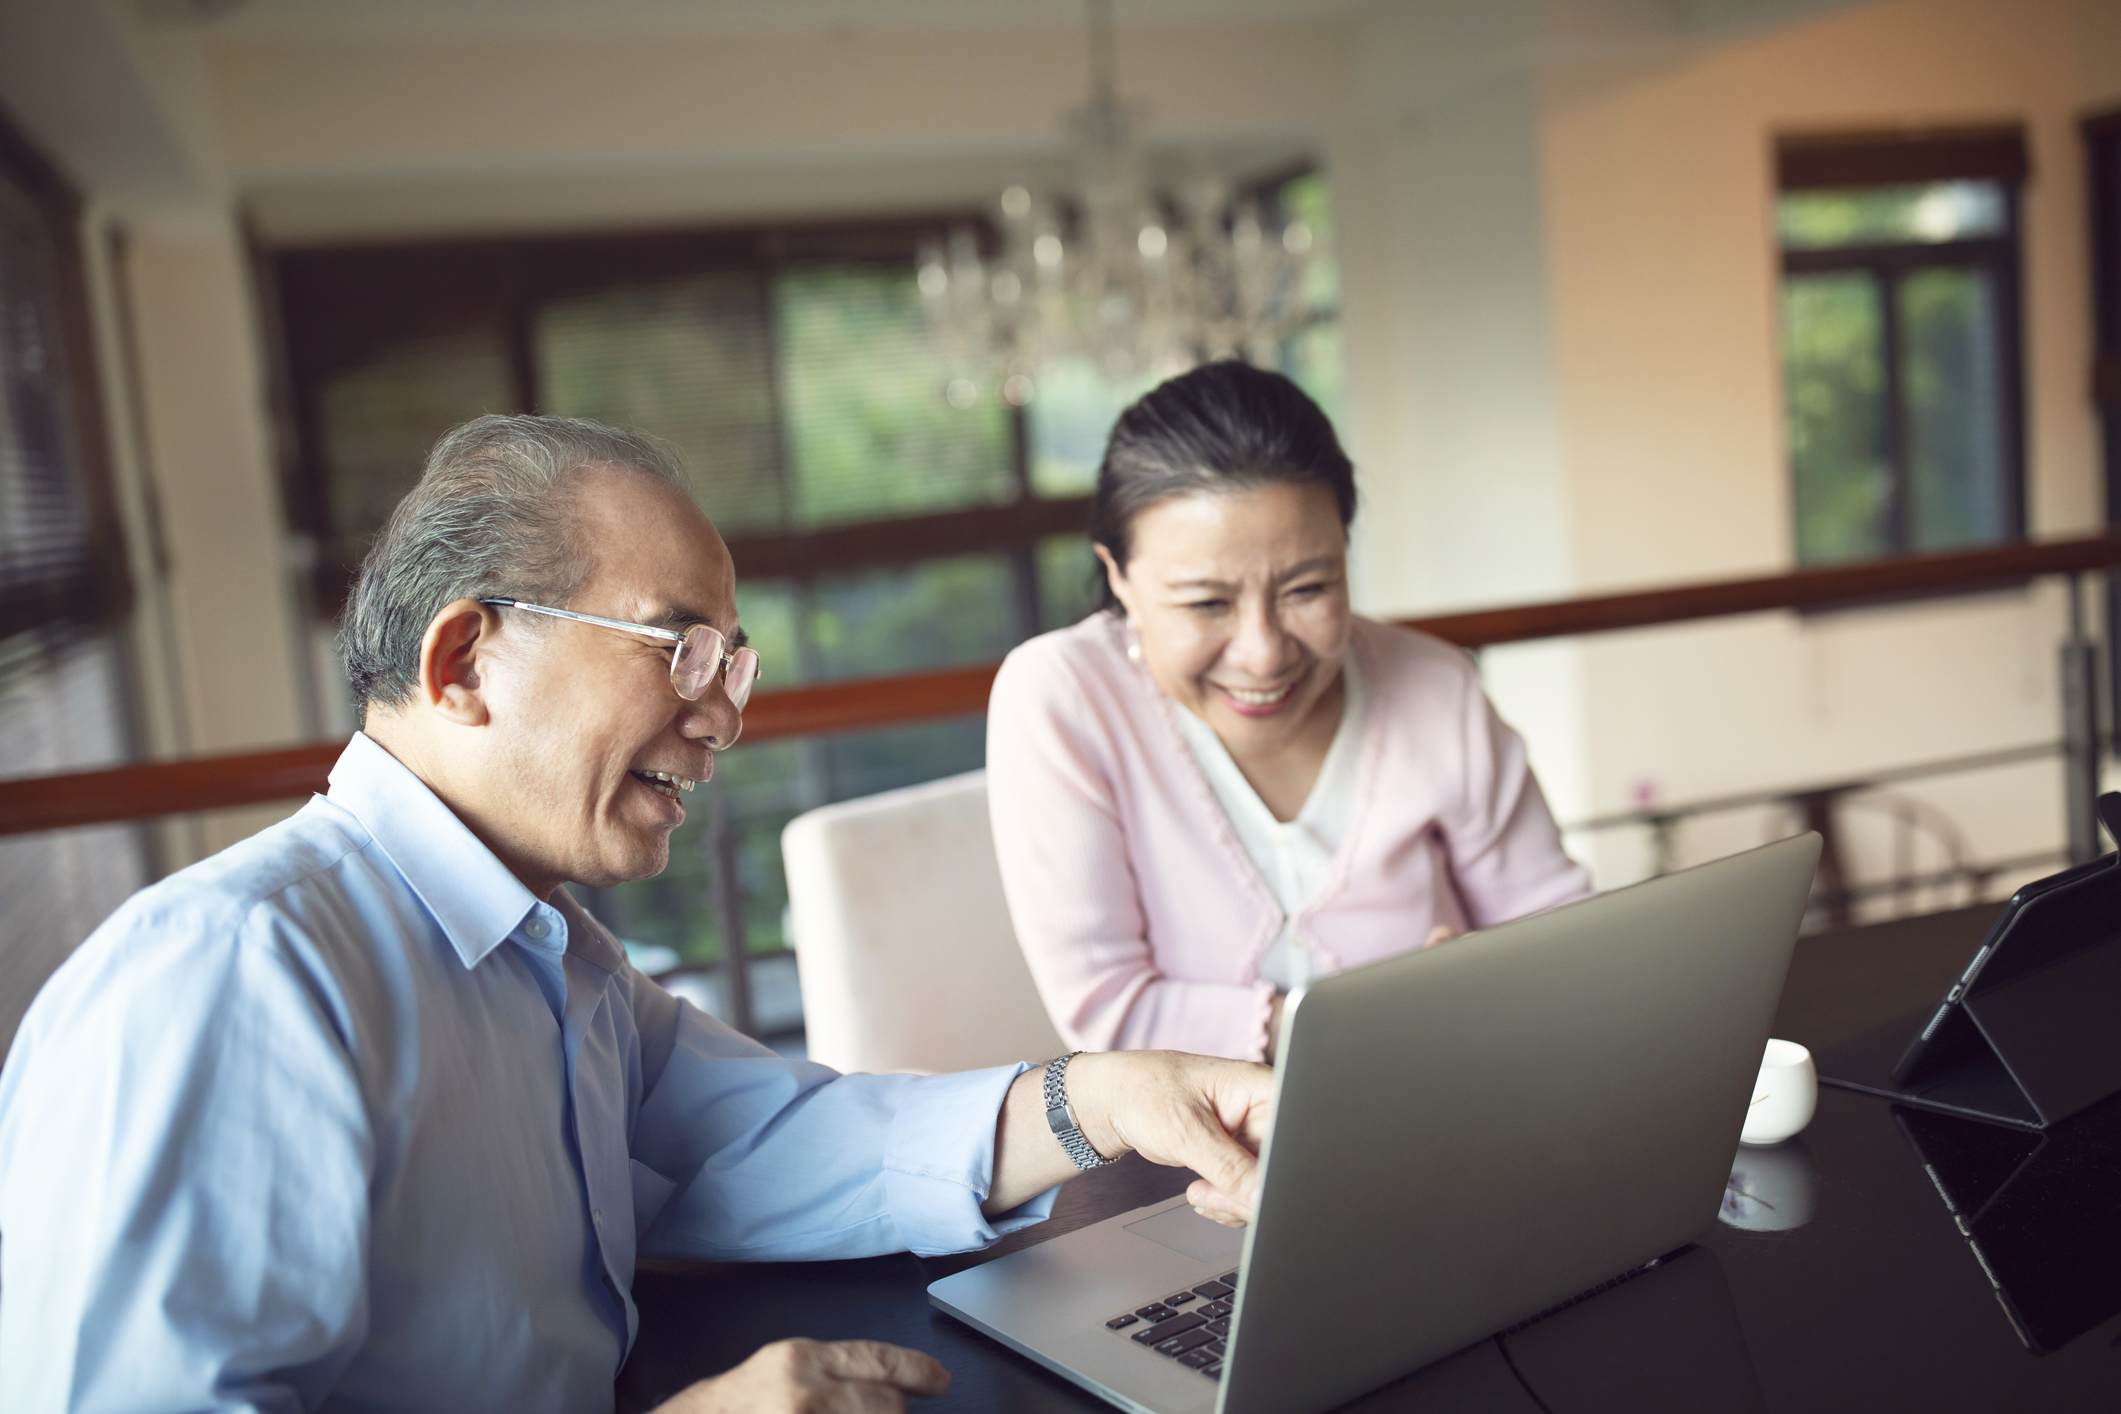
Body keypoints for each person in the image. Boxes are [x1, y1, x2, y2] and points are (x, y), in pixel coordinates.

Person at [0, 416, 1273, 1413]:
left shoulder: (557, 960)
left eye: (732, 661)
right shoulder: (226, 982)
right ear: (463, 664)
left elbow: (776, 1139)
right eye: (677, 648)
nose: (724, 715)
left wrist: (1109, 1095)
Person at [987, 362, 1592, 1063]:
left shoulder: (1434, 686)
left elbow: (1558, 936)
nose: (1264, 653)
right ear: (1119, 577)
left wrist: (1488, 985)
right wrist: (1389, 1020)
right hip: (1180, 1149)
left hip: (1447, 1101)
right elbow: (1110, 1010)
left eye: (1307, 587)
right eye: (1206, 603)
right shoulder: (1064, 698)